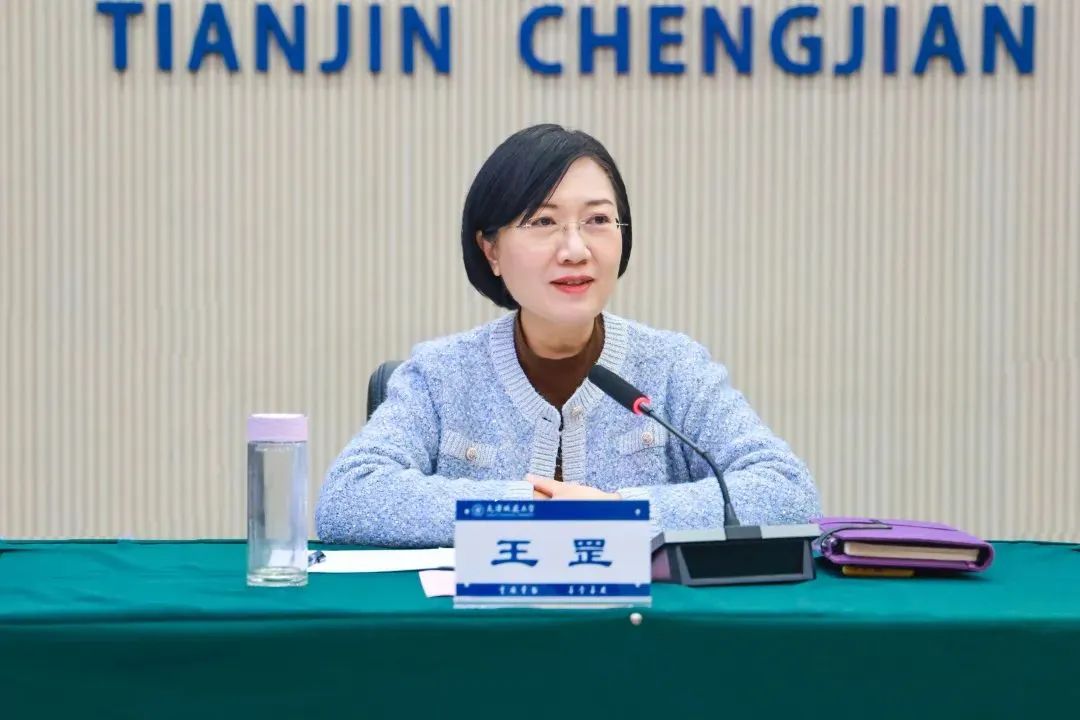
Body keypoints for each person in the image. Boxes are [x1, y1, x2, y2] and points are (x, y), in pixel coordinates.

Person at [316, 124, 821, 547]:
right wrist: (526, 510)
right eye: (543, 221)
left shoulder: (673, 367)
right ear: (491, 250)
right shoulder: (441, 374)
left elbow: (786, 491)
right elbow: (348, 497)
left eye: (598, 220)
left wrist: (619, 513)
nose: (576, 250)